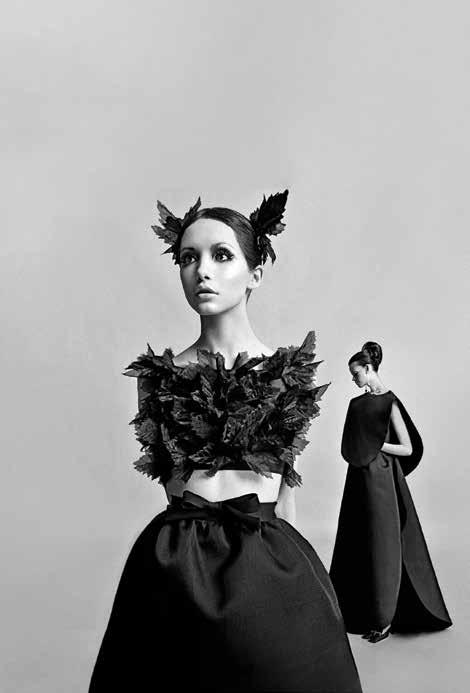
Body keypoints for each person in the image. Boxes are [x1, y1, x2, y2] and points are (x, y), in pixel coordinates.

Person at [89, 191, 362, 692]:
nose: (202, 272)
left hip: (266, 557)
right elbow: (173, 488)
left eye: (221, 255)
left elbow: (284, 494)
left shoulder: (287, 375)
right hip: (177, 562)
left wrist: (304, 589)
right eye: (188, 258)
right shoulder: (157, 378)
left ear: (255, 274)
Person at [329, 342, 452, 644]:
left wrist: (377, 445)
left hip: (382, 480)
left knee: (384, 545)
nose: (353, 379)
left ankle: (383, 619)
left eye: (356, 373)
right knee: (357, 543)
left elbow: (407, 448)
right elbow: (350, 443)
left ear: (368, 368)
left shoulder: (390, 403)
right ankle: (354, 612)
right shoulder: (356, 405)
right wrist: (364, 447)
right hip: (358, 478)